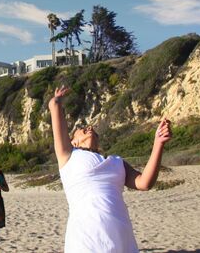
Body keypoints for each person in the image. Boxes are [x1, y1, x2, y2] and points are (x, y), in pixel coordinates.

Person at [49, 85, 172, 253]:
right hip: (85, 242)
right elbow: (55, 107)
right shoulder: (68, 155)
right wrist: (57, 99)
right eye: (82, 129)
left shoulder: (117, 162)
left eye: (92, 129)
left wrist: (158, 143)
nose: (89, 128)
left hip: (122, 241)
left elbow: (144, 183)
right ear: (73, 142)